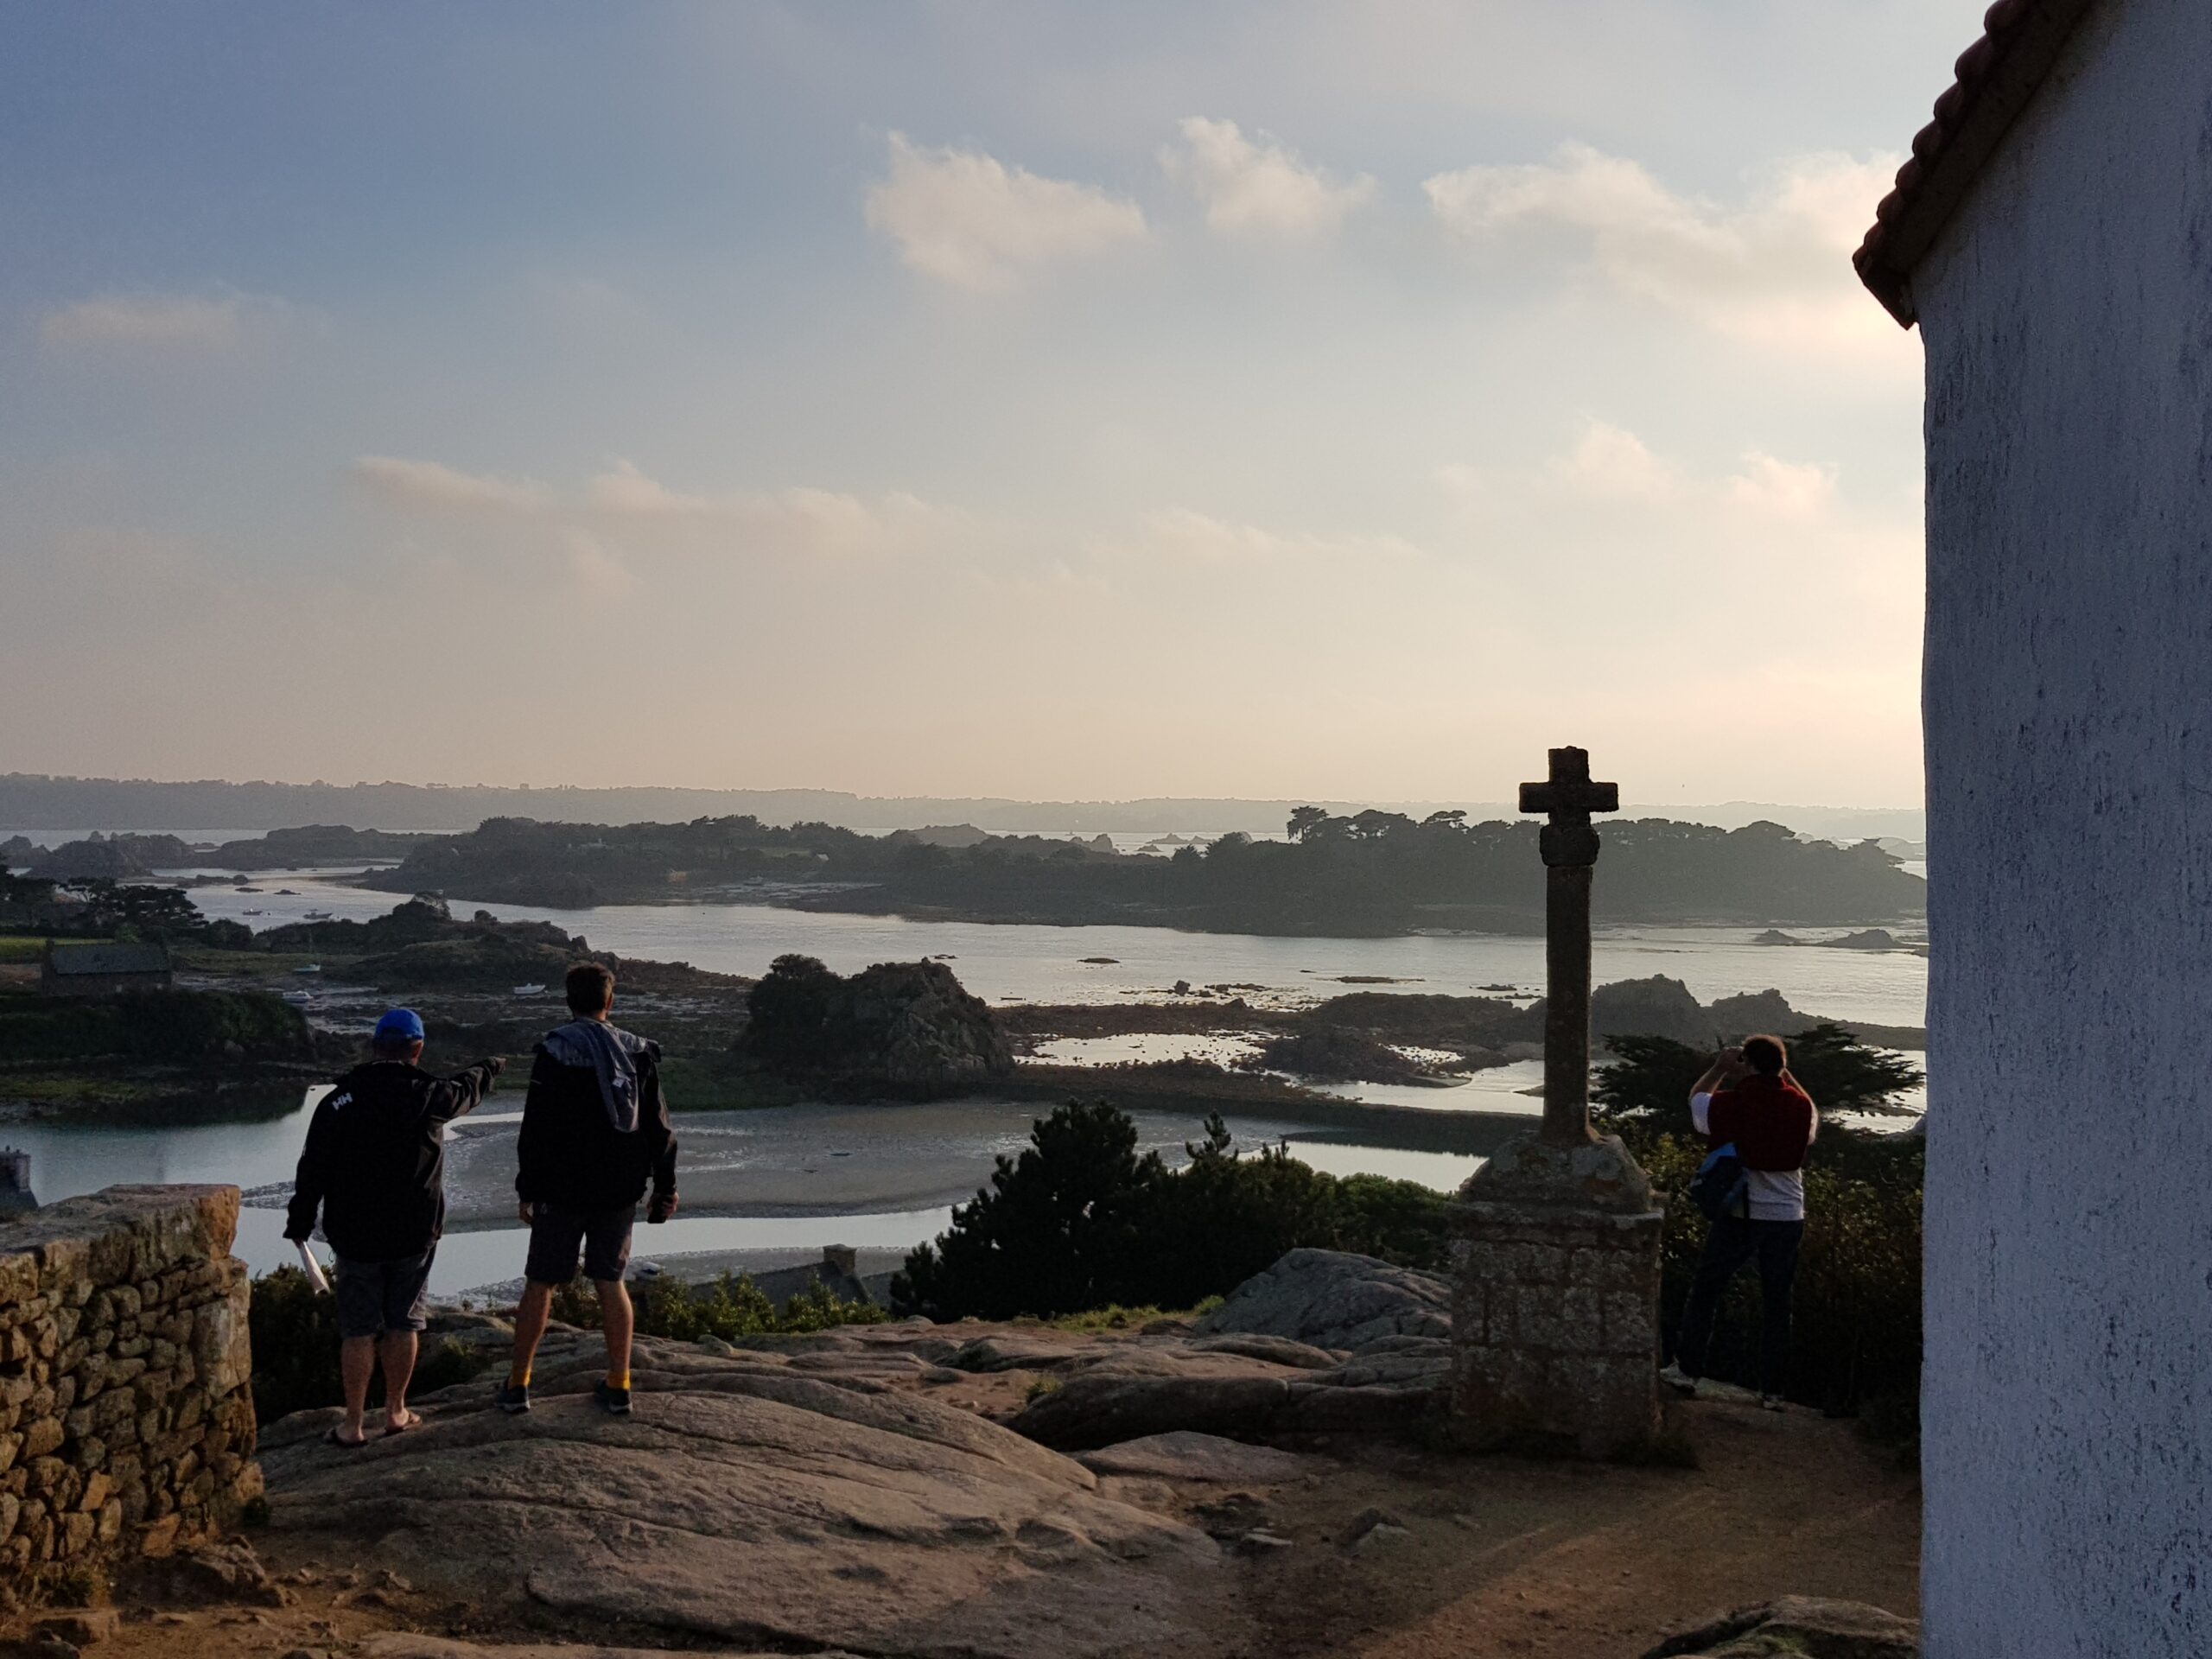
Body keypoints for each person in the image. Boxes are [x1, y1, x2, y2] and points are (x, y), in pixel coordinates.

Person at [284, 1008, 502, 1447]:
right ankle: (396, 1411)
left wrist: (300, 1222)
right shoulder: (429, 1095)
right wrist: (490, 1067)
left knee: (358, 1328)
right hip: (414, 1232)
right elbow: (466, 1090)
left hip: (355, 1234)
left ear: (375, 1045)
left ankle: (352, 1423)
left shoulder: (337, 1101)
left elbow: (312, 1168)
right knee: (404, 1322)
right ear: (417, 1049)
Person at [498, 962, 677, 1417]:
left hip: (561, 1191)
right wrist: (665, 1187)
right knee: (611, 1283)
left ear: (568, 1001)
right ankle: (619, 1384)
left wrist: (528, 1189)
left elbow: (535, 1128)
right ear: (610, 1001)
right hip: (619, 1190)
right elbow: (660, 1129)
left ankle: (518, 1385)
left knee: (540, 1284)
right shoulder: (637, 1053)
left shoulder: (556, 1051)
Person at [1660, 1033, 1817, 1411]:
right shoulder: (1800, 1107)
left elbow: (1696, 1101)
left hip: (1741, 1212)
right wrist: (1786, 1075)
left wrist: (1719, 1068)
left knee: (1707, 1289)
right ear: (1781, 1066)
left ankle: (1688, 1371)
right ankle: (1773, 1391)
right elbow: (1812, 1113)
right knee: (1778, 1301)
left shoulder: (1732, 1103)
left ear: (1746, 1064)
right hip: (1787, 1215)